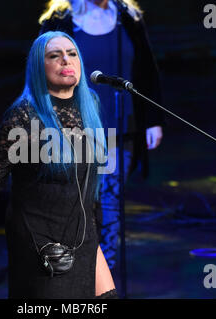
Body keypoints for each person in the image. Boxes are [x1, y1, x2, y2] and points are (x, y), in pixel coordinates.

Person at [0, 31, 118, 299]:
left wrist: (96, 230)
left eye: (72, 53)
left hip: (82, 236)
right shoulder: (23, 115)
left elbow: (91, 179)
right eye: (55, 55)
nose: (66, 60)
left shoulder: (91, 106)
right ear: (40, 67)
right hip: (41, 240)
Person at [39, 0, 165, 269]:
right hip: (72, 130)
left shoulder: (127, 17)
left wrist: (153, 119)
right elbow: (40, 76)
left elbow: (147, 71)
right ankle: (71, 276)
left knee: (109, 204)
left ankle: (103, 279)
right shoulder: (59, 20)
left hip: (120, 129)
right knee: (78, 206)